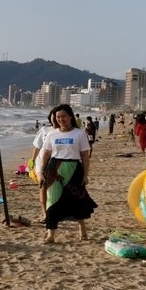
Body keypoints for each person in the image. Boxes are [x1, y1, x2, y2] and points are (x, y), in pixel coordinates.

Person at [36, 104, 96, 244]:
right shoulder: (52, 133)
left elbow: (85, 156)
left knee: (76, 199)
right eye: (58, 117)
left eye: (63, 116)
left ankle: (82, 228)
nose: (61, 119)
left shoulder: (79, 133)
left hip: (73, 168)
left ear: (70, 116)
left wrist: (85, 175)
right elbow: (46, 154)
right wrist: (41, 172)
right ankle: (50, 234)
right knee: (52, 199)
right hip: (53, 169)